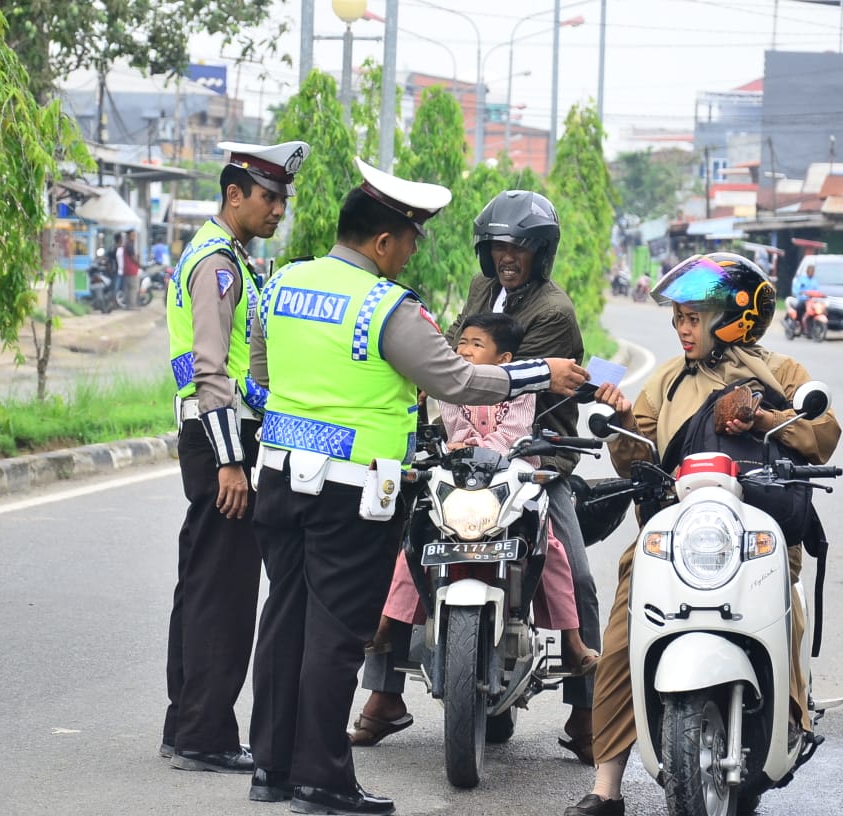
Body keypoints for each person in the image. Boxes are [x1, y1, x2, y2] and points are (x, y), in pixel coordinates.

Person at [246, 158, 588, 814]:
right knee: (335, 635)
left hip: (279, 480)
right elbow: (458, 381)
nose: (409, 253)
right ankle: (321, 778)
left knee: (283, 621)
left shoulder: (282, 284)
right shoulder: (385, 306)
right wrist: (538, 373)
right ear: (381, 242)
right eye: (408, 241)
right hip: (350, 494)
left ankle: (274, 769)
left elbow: (261, 376)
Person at [563, 253, 841, 816]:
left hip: (756, 535)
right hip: (678, 536)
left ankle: (788, 724)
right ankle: (606, 785)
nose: (681, 329)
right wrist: (620, 423)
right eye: (678, 318)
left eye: (694, 317)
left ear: (733, 317)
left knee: (781, 617)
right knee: (622, 637)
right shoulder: (665, 381)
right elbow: (634, 462)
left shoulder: (782, 373)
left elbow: (824, 436)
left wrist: (763, 418)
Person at [351, 189, 601, 766]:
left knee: (577, 572)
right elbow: (455, 366)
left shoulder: (552, 312)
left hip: (534, 453)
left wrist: (451, 374)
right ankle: (384, 693)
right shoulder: (481, 290)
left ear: (542, 251)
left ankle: (586, 710)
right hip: (463, 451)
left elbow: (513, 385)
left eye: (520, 248)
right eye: (497, 248)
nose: (507, 258)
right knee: (407, 539)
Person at [363, 313, 599, 709]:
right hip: (461, 469)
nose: (465, 350)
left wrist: (487, 448)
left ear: (505, 359)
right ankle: (390, 624)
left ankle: (573, 641)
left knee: (550, 546)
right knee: (418, 536)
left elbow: (514, 431)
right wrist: (460, 446)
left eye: (476, 345)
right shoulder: (449, 383)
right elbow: (452, 422)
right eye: (462, 343)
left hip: (513, 469)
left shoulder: (522, 385)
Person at [162, 139, 309, 775]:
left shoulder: (226, 257)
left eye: (282, 199)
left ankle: (187, 725)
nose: (279, 209)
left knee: (201, 581)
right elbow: (210, 370)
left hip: (215, 435)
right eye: (269, 197)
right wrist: (230, 462)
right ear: (235, 195)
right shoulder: (218, 265)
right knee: (223, 591)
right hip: (221, 438)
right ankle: (205, 736)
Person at [122, 228, 142, 309]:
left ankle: (128, 305)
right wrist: (139, 264)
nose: (134, 237)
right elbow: (133, 258)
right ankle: (132, 305)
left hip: (127, 270)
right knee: (133, 288)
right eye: (133, 235)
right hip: (131, 270)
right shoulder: (129, 245)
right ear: (129, 236)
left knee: (128, 289)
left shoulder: (127, 244)